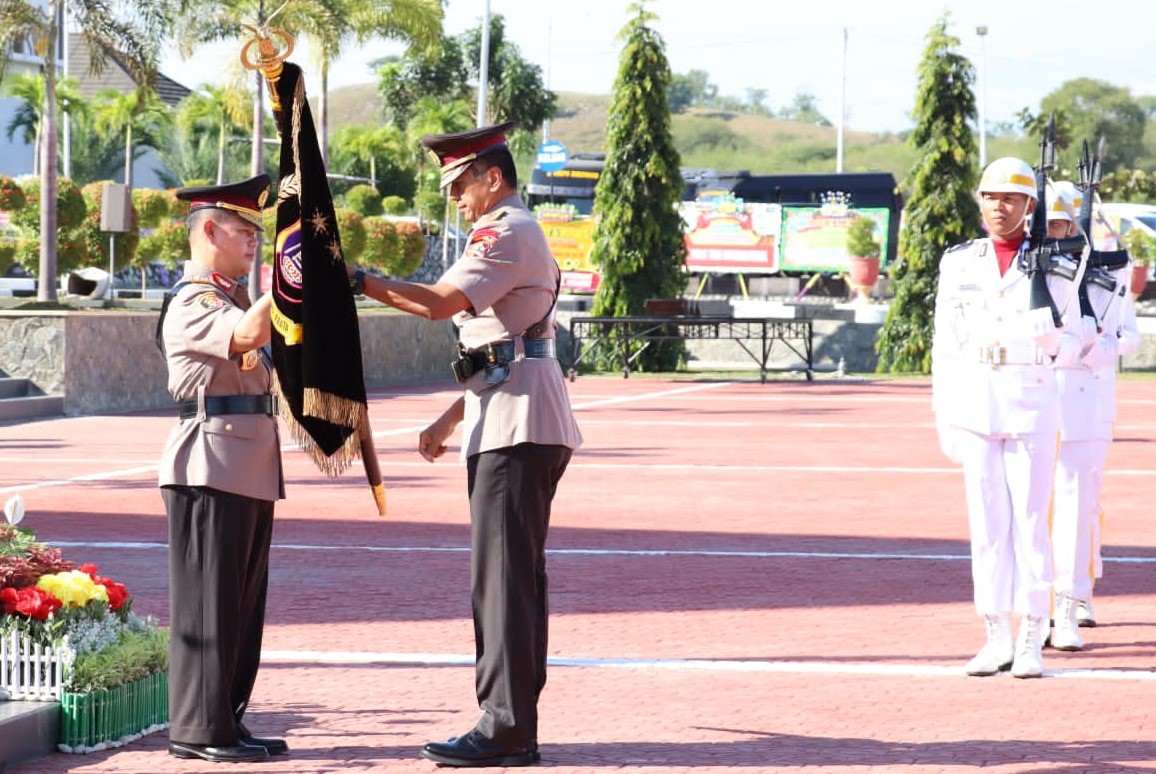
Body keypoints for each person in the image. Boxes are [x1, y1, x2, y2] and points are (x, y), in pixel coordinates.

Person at [351, 122, 582, 767]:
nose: (453, 196)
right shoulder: (517, 231)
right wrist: (451, 419)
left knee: (503, 582)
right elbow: (507, 344)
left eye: (459, 183)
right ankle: (514, 723)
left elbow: (437, 303)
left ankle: (505, 727)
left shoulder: (504, 231)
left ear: (493, 177)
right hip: (513, 411)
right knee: (512, 579)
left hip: (517, 423)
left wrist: (360, 280)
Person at [931, 157, 1085, 679]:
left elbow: (1075, 343)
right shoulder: (959, 263)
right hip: (976, 402)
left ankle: (1031, 635)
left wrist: (1052, 339)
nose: (1000, 207)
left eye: (1011, 199)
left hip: (1030, 402)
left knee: (1030, 524)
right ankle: (995, 632)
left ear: (1030, 207)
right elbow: (946, 345)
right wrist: (945, 414)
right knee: (987, 526)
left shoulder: (1055, 265)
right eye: (992, 197)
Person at [157, 174, 288, 763]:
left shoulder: (231, 297)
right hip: (208, 465)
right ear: (209, 232)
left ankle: (226, 719)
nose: (254, 240)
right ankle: (198, 728)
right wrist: (293, 275)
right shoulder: (194, 300)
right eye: (243, 230)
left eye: (258, 232)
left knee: (240, 609)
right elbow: (247, 334)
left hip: (244, 465)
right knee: (209, 607)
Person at [1048, 182, 1139, 645]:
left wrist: (1103, 349)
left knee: (1083, 503)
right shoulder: (1037, 270)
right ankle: (1044, 600)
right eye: (1050, 224)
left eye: (1063, 224)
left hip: (1090, 402)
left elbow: (1129, 334)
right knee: (1043, 506)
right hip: (1043, 400)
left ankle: (1077, 594)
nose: (1057, 232)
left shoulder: (1107, 273)